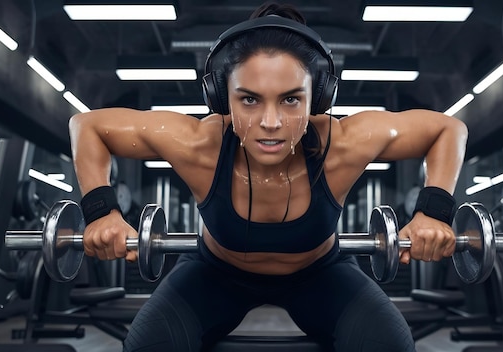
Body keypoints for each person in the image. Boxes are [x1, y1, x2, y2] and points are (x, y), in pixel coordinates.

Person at [68, 2, 468, 351]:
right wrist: (101, 211)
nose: (271, 122)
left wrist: (434, 211)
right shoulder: (198, 144)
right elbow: (87, 126)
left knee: (390, 347)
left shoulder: (344, 143)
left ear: (319, 99)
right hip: (215, 275)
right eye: (249, 99)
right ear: (223, 98)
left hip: (320, 276)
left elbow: (447, 129)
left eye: (291, 99)